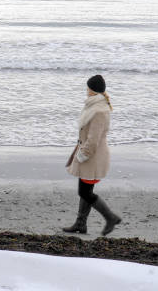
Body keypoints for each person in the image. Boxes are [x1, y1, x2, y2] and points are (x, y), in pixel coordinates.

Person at [63, 75, 121, 236]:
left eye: (88, 88)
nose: (86, 90)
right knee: (86, 190)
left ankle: (110, 217)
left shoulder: (99, 111)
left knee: (84, 192)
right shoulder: (94, 106)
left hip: (93, 157)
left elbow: (93, 140)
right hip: (90, 155)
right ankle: (81, 224)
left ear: (93, 90)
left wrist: (82, 155)